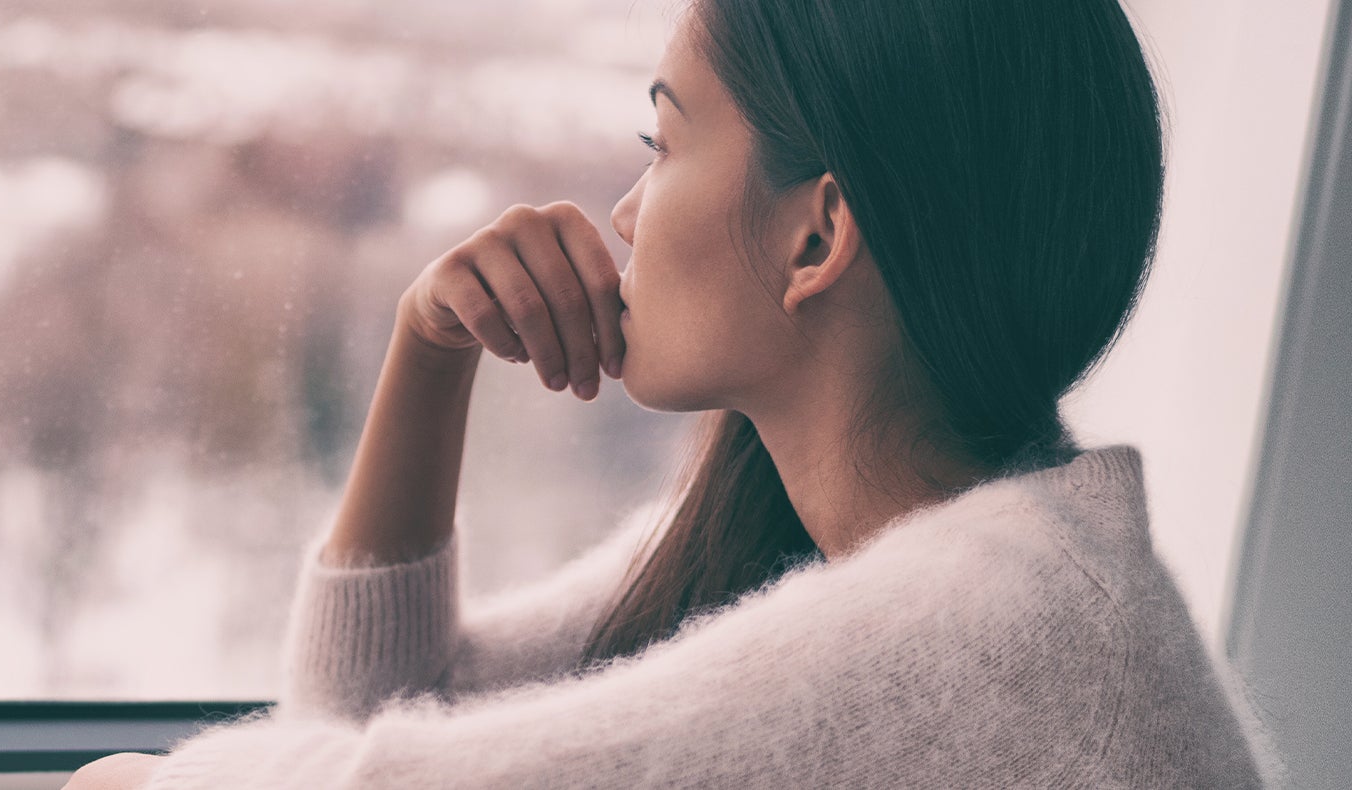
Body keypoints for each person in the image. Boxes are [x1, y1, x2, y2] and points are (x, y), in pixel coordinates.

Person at [63, 0, 1284, 786]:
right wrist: (425, 353)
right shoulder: (850, 524)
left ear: (818, 240)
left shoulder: (1002, 631)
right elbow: (371, 713)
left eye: (664, 145)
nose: (629, 213)